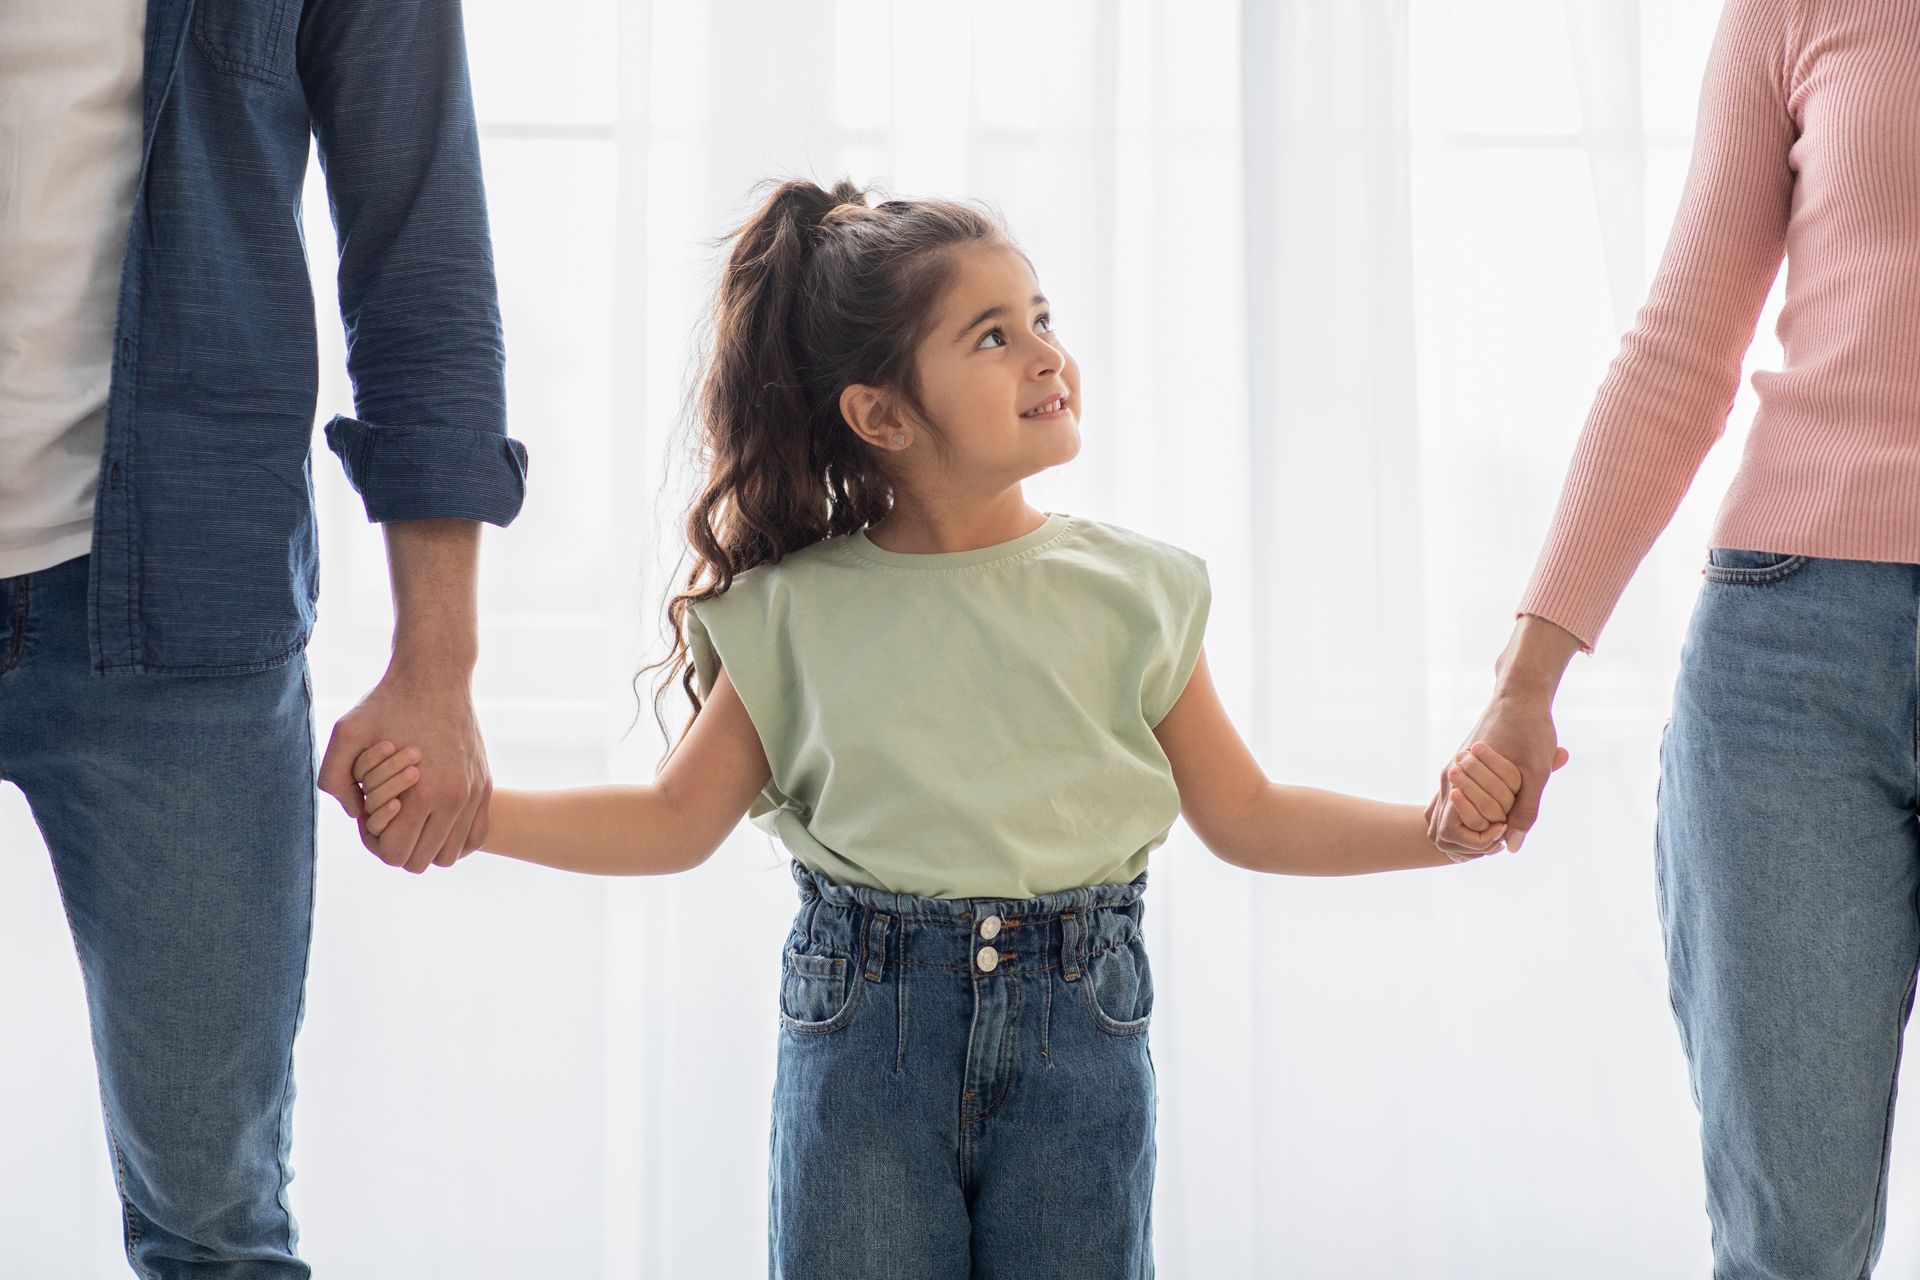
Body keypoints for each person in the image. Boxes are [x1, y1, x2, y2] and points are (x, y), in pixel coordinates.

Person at [353, 178, 1531, 1277]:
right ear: (879, 412)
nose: (1045, 353)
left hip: (1083, 1031)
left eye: (1040, 316)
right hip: (865, 1034)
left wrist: (1437, 831)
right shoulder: (794, 612)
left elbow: (1250, 812)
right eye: (991, 335)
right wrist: (473, 813)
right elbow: (671, 819)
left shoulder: (1138, 591)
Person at [0, 1, 525, 1274]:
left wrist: (436, 666)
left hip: (183, 602)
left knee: (214, 1220)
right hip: (187, 592)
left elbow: (420, 248)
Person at [1427, 0, 1920, 1272]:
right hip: (1788, 667)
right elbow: (1682, 345)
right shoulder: (1803, 11)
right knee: (1789, 1239)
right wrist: (1527, 676)